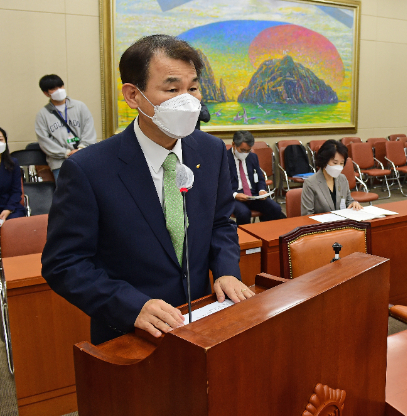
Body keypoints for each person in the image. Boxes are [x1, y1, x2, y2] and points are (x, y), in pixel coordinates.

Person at [42, 35, 252, 345]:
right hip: (131, 335)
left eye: (192, 87)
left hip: (204, 321)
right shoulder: (89, 169)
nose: (188, 100)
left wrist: (225, 270)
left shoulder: (211, 152)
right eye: (171, 89)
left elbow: (220, 223)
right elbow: (65, 263)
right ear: (133, 95)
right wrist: (130, 305)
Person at [35, 74, 97, 181]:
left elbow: (89, 130)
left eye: (60, 86)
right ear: (46, 93)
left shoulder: (80, 107)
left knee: (88, 193)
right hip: (60, 164)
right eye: (53, 88)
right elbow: (44, 142)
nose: (59, 90)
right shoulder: (42, 115)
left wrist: (81, 149)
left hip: (84, 158)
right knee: (65, 195)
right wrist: (66, 153)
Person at [228, 131, 285, 224]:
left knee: (275, 208)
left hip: (253, 195)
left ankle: (264, 232)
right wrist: (235, 195)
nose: (245, 153)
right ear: (234, 145)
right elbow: (219, 185)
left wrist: (261, 190)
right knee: (244, 213)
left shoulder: (252, 157)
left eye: (248, 150)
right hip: (234, 197)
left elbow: (260, 178)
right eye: (242, 150)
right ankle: (245, 238)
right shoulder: (223, 159)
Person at [301, 140, 362, 215]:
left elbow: (348, 201)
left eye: (341, 163)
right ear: (324, 161)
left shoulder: (342, 179)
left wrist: (354, 203)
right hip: (321, 225)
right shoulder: (310, 183)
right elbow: (307, 214)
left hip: (342, 222)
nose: (338, 167)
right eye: (335, 163)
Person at [0, 127, 27, 223]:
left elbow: (16, 192)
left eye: (0, 139)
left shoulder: (13, 163)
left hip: (9, 207)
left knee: (14, 222)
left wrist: (8, 210)